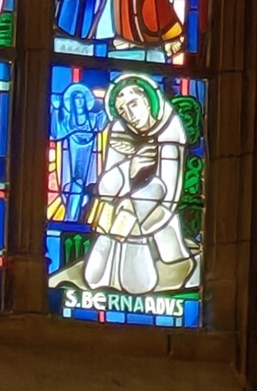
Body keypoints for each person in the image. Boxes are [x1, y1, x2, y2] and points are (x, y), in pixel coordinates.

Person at [60, 74, 197, 304]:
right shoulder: (120, 128)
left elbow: (169, 191)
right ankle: (103, 275)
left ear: (148, 100)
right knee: (115, 210)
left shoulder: (170, 129)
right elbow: (106, 185)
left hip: (157, 210)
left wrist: (135, 207)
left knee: (132, 207)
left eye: (133, 105)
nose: (130, 115)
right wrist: (130, 168)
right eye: (123, 111)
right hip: (122, 209)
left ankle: (131, 275)